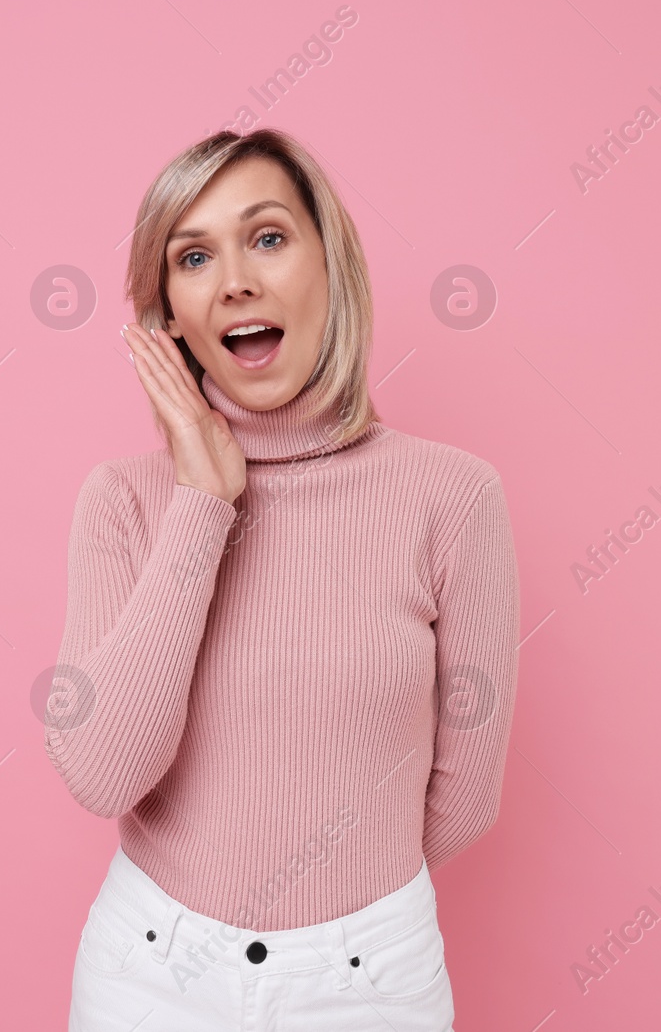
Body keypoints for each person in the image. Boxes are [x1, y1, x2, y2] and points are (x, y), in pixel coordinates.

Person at [44, 127, 520, 1030]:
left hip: (370, 978)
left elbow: (466, 796)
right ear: (170, 317)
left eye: (268, 237)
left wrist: (339, 922)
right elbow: (103, 772)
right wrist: (202, 505)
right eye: (194, 255)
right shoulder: (124, 503)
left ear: (330, 266)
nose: (237, 280)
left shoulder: (452, 498)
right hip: (150, 973)